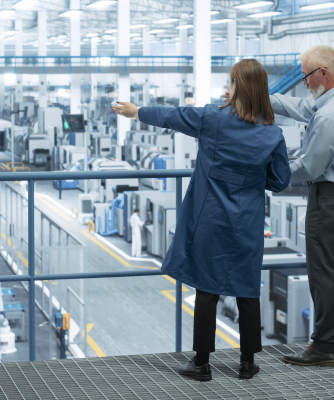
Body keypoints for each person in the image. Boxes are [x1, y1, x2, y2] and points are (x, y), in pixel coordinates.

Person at [112, 58, 291, 380]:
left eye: (231, 82)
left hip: (211, 219)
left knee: (208, 289)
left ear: (237, 86)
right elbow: (279, 180)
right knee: (247, 289)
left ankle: (201, 363)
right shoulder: (272, 133)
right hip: (247, 221)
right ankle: (248, 362)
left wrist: (136, 111)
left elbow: (172, 116)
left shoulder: (212, 118)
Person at [269, 45, 334, 367]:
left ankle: (325, 346)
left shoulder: (328, 116)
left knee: (323, 269)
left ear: (322, 74)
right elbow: (304, 107)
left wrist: (272, 173)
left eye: (306, 77)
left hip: (331, 197)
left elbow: (309, 167)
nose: (304, 83)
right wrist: (263, 98)